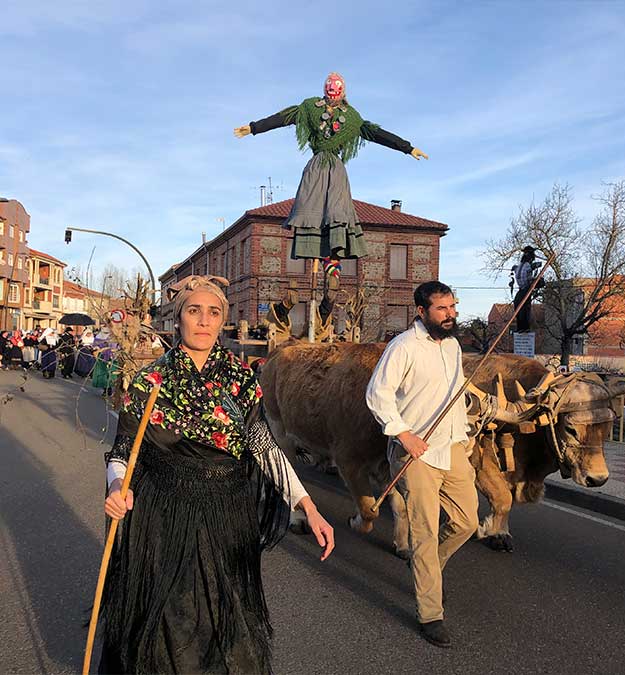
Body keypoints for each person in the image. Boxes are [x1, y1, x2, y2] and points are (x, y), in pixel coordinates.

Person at [98, 275, 335, 673]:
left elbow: (263, 448)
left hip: (226, 515)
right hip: (163, 513)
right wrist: (118, 484)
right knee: (170, 610)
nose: (204, 321)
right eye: (194, 311)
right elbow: (123, 451)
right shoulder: (150, 382)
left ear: (222, 320)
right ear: (179, 321)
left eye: (213, 313)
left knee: (225, 611)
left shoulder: (242, 382)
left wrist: (307, 506)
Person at [365, 280, 476, 648]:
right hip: (417, 453)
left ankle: (428, 570)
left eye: (453, 307)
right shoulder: (403, 347)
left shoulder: (455, 346)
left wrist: (466, 431)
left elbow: (455, 393)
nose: (451, 314)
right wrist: (403, 433)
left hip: (452, 447)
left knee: (467, 522)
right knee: (425, 532)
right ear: (421, 311)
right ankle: (430, 611)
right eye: (442, 309)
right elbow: (377, 395)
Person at [235, 72, 428, 261]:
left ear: (343, 92)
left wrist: (407, 148)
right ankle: (316, 256)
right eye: (330, 88)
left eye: (336, 89)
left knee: (337, 211)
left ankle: (334, 261)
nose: (332, 93)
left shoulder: (352, 118)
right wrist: (254, 128)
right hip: (316, 167)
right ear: (325, 90)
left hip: (335, 169)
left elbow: (378, 134)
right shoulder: (310, 108)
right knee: (311, 209)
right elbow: (283, 117)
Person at [513, 246, 541, 332]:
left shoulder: (525, 265)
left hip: (525, 289)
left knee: (523, 307)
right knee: (519, 306)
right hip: (523, 289)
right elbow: (524, 276)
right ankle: (521, 327)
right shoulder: (524, 265)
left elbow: (526, 275)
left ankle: (524, 327)